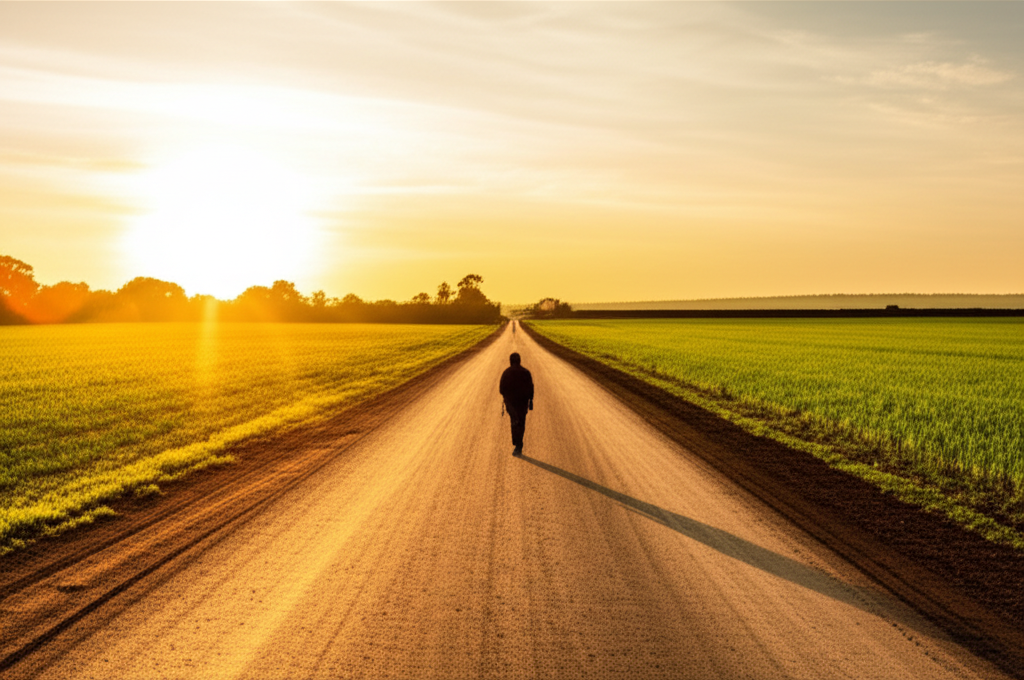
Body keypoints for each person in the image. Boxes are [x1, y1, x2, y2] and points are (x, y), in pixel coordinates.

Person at [499, 352, 533, 454]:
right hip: (523, 403)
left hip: (511, 403)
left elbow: (501, 389)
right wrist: (531, 400)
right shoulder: (526, 373)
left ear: (510, 361)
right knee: (522, 422)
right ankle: (519, 444)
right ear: (519, 361)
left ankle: (516, 443)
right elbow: (531, 388)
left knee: (514, 422)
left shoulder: (506, 373)